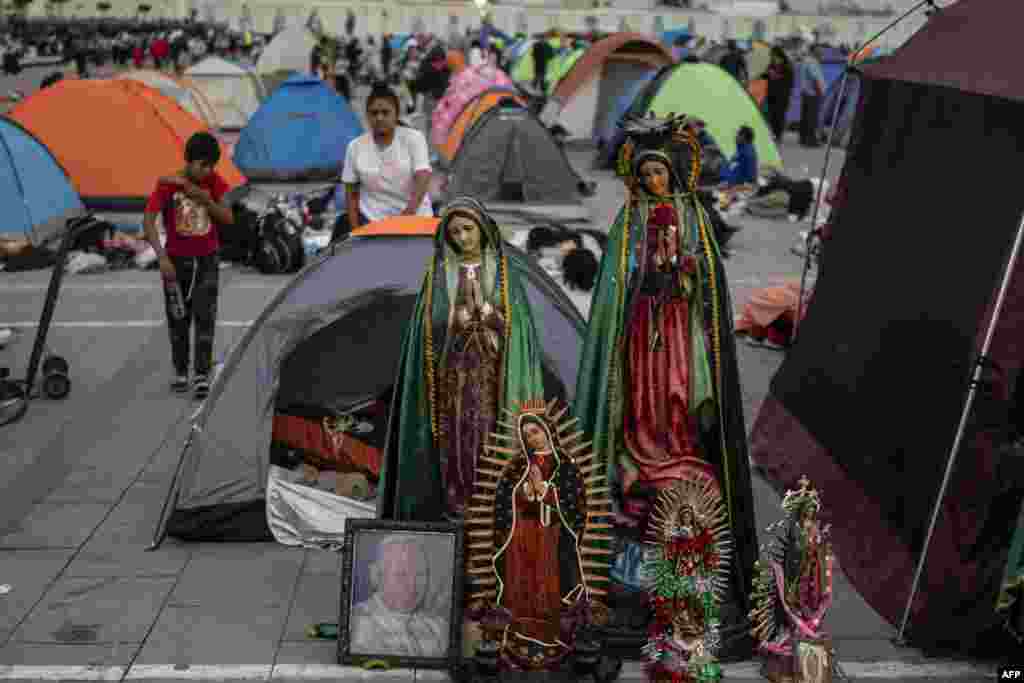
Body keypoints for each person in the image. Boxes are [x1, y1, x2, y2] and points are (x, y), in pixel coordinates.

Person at [573, 121, 758, 660]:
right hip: (639, 336)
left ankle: (675, 452)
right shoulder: (627, 221)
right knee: (643, 402)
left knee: (678, 399)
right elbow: (614, 288)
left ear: (674, 173)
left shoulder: (695, 217)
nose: (654, 180)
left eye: (660, 171)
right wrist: (642, 281)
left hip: (680, 333)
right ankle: (642, 454)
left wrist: (683, 273)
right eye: (645, 172)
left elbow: (710, 289)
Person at [378, 197, 550, 523]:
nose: (463, 238)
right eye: (455, 232)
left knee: (487, 437)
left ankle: (491, 502)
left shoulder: (502, 271)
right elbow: (429, 330)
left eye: (469, 229)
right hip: (454, 379)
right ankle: (456, 503)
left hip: (493, 376)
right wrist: (456, 320)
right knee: (458, 442)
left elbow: (517, 327)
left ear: (483, 230)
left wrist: (484, 312)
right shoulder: (440, 274)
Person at [143, 132, 234, 400]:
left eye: (211, 166)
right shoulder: (168, 185)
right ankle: (181, 370)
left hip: (207, 260)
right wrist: (160, 256)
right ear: (189, 160)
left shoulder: (216, 184)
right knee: (177, 318)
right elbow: (148, 221)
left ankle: (202, 374)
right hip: (175, 261)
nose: (206, 171)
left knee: (205, 317)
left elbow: (228, 218)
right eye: (202, 165)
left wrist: (205, 199)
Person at [335, 84, 433, 243]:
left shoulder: (414, 138)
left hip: (415, 218)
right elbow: (351, 194)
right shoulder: (355, 146)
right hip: (373, 221)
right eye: (374, 113)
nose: (379, 117)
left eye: (385, 112)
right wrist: (356, 232)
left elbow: (423, 177)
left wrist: (407, 216)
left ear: (396, 114)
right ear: (367, 116)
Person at [350, 536, 450, 658]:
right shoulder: (354, 623)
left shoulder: (438, 628)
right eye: (401, 575)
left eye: (420, 575)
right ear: (375, 575)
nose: (412, 585)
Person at [760, 46, 794, 142]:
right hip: (771, 94)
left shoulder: (787, 66)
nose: (772, 57)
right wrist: (766, 74)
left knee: (779, 115)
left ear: (778, 55)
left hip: (782, 95)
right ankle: (774, 134)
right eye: (771, 55)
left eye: (773, 55)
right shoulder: (771, 65)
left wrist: (776, 77)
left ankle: (778, 135)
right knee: (772, 115)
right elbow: (765, 76)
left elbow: (789, 81)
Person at [798, 45, 826, 148]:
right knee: (811, 118)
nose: (822, 53)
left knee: (805, 117)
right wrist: (820, 93)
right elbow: (815, 79)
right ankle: (810, 140)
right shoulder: (812, 62)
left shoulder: (806, 61)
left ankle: (803, 138)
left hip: (807, 93)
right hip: (813, 94)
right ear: (814, 51)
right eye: (820, 51)